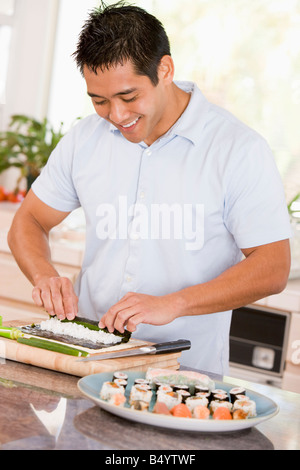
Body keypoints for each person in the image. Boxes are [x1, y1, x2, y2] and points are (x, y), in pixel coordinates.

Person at [7, 2, 291, 375]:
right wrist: (45, 275)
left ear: (165, 69)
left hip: (186, 374)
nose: (117, 116)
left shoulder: (237, 149)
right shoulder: (84, 140)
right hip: (89, 365)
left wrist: (173, 303)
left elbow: (273, 266)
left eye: (129, 97)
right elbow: (28, 222)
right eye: (99, 101)